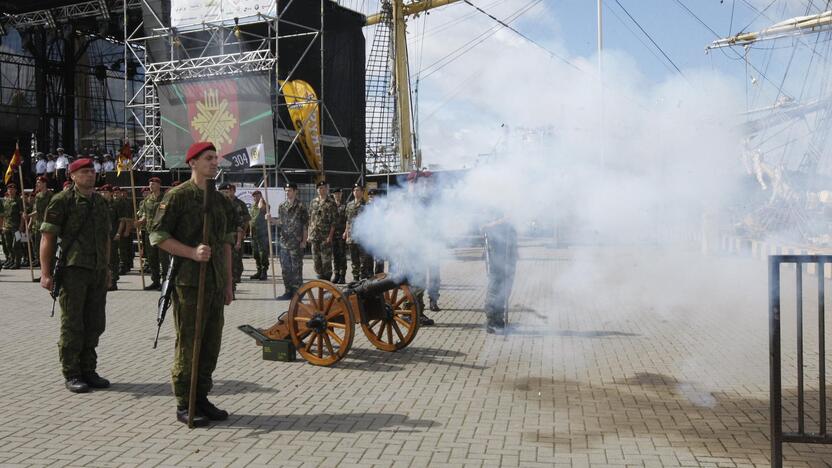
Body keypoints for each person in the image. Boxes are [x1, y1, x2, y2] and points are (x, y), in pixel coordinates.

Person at [149, 141, 235, 427]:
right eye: (208, 158)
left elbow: (224, 244)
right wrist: (191, 252)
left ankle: (201, 397)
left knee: (211, 343)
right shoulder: (177, 197)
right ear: (193, 163)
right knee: (189, 342)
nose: (214, 162)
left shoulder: (220, 200)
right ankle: (185, 402)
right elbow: (158, 236)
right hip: (188, 284)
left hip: (214, 282)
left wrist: (228, 283)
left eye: (215, 158)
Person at [39, 157, 112, 393]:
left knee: (95, 322)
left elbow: (106, 238)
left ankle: (89, 369)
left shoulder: (100, 202)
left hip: (97, 270)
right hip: (73, 270)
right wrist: (45, 273)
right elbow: (47, 237)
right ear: (72, 176)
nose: (90, 175)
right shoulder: (62, 201)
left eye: (92, 171)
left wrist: (107, 267)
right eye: (84, 172)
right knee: (73, 323)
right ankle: (72, 372)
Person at [481, 215, 518, 334]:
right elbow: (483, 226)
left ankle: (499, 318)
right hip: (497, 251)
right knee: (495, 286)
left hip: (508, 249)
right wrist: (501, 221)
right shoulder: (490, 205)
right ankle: (491, 320)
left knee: (506, 286)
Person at [276, 182, 308, 300]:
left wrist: (304, 241)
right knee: (285, 268)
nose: (287, 193)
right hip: (284, 242)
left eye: (289, 190)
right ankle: (288, 291)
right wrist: (271, 220)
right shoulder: (282, 206)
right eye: (286, 190)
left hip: (296, 242)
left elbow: (305, 225)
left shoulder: (301, 206)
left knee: (296, 268)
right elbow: (281, 222)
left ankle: (298, 292)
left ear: (295, 191)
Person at [136, 177, 167, 290]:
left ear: (159, 185)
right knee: (152, 258)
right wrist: (139, 222)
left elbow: (163, 213)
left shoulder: (165, 198)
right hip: (149, 233)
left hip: (161, 233)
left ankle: (165, 282)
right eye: (150, 184)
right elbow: (144, 215)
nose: (151, 186)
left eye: (153, 184)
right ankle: (155, 281)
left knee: (163, 259)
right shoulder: (146, 200)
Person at [219, 183, 250, 286]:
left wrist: (239, 239)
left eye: (227, 192)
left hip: (234, 237)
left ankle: (233, 283)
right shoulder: (215, 204)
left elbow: (242, 223)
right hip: (219, 239)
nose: (226, 194)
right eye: (223, 192)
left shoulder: (236, 205)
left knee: (234, 261)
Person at [307, 180, 336, 281]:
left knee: (326, 259)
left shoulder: (331, 203)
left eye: (323, 188)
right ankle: (319, 275)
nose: (321, 190)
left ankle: (327, 279)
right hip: (315, 235)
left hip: (325, 236)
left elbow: (334, 222)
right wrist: (308, 234)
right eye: (319, 188)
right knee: (316, 258)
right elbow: (310, 219)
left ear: (327, 190)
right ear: (317, 190)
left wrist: (330, 236)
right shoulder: (313, 202)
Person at [344, 183, 373, 280]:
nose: (356, 192)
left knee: (364, 259)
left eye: (358, 190)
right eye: (354, 190)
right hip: (352, 236)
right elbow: (348, 221)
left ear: (362, 192)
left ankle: (363, 277)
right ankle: (355, 277)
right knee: (354, 259)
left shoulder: (367, 205)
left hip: (363, 237)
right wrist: (347, 234)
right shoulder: (349, 205)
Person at [99, 185, 121, 291]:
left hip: (112, 235)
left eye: (106, 192)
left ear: (111, 193)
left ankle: (113, 280)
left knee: (113, 258)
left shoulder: (116, 204)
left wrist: (118, 233)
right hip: (102, 235)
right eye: (102, 192)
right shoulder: (99, 204)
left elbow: (121, 220)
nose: (103, 194)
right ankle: (105, 280)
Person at [248, 190, 270, 280]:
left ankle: (264, 271)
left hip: (262, 233)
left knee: (263, 253)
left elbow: (262, 211)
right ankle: (259, 271)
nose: (255, 198)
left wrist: (261, 203)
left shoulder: (265, 205)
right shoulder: (253, 207)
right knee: (256, 253)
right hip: (254, 234)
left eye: (257, 196)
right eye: (254, 196)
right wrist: (250, 230)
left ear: (260, 196)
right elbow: (251, 220)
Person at [1, 183, 23, 269]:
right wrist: (2, 226)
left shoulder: (18, 200)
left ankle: (17, 262)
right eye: (9, 189)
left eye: (13, 189)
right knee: (8, 245)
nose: (11, 190)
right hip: (7, 226)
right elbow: (4, 215)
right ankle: (12, 260)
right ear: (7, 190)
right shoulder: (5, 201)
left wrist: (21, 226)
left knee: (16, 245)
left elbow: (22, 214)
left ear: (16, 190)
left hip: (16, 227)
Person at [331, 188, 348, 284]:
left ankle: (342, 276)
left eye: (339, 194)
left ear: (341, 194)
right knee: (335, 255)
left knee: (342, 256)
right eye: (335, 194)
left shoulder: (345, 206)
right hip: (333, 235)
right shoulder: (331, 206)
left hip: (341, 234)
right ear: (333, 195)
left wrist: (346, 231)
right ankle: (336, 274)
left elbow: (347, 220)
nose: (337, 195)